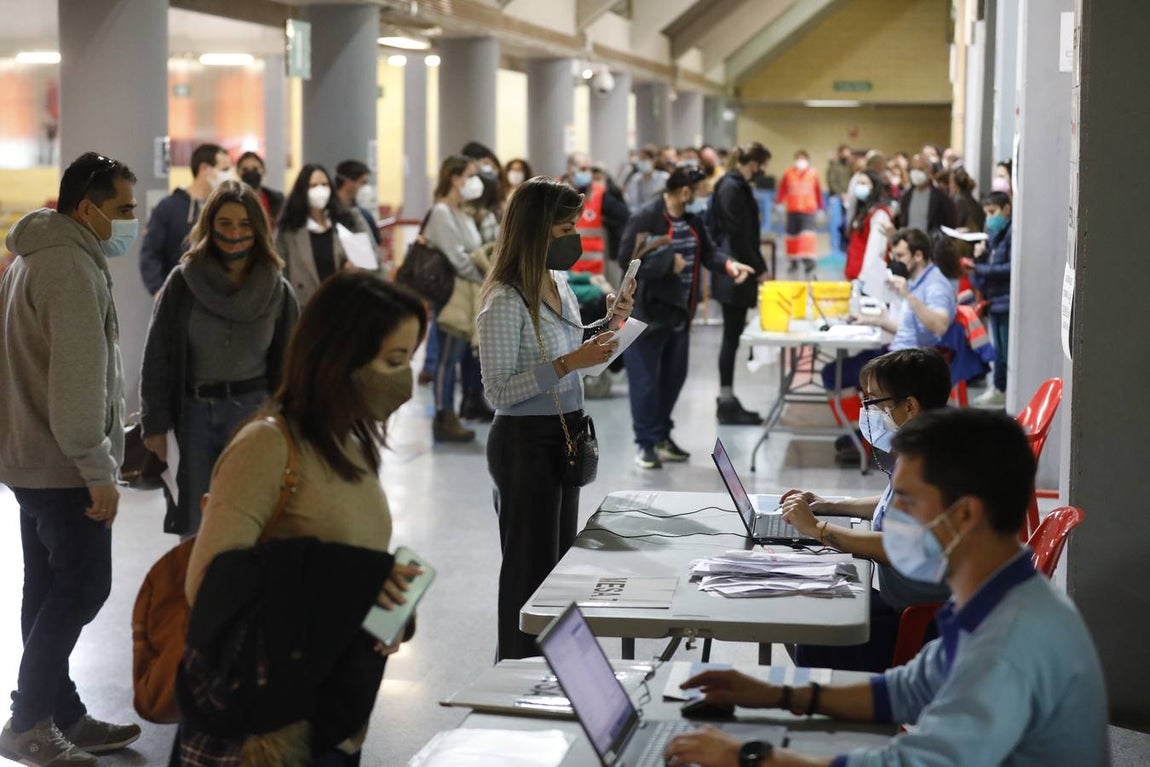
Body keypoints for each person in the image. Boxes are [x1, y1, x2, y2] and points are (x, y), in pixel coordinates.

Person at [665, 409, 1109, 767]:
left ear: (965, 515)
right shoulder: (997, 599)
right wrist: (777, 694)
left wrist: (749, 756)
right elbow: (908, 690)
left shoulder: (1010, 641)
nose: (889, 518)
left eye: (908, 501)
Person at [178, 272, 428, 766]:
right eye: (393, 360)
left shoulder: (350, 441)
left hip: (335, 707)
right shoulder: (267, 446)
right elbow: (207, 586)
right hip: (272, 726)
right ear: (339, 356)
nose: (404, 378)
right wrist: (353, 581)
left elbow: (347, 565)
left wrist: (389, 603)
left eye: (409, 359)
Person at [0, 152, 142, 765]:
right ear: (87, 208)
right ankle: (29, 721)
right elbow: (78, 382)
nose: (131, 222)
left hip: (29, 456)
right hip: (62, 464)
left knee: (47, 586)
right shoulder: (70, 269)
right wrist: (97, 468)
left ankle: (63, 714)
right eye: (124, 209)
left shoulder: (34, 254)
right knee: (83, 587)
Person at [476, 177, 634, 660]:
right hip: (524, 442)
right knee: (527, 571)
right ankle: (516, 666)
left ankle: (553, 665)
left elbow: (576, 353)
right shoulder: (504, 300)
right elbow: (498, 390)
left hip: (565, 434)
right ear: (535, 231)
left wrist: (614, 325)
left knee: (558, 568)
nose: (574, 236)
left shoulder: (559, 283)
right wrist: (568, 363)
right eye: (564, 227)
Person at [140, 180, 300, 538]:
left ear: (258, 229)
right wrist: (155, 424)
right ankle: (196, 591)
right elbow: (158, 356)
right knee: (196, 526)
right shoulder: (182, 283)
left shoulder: (277, 289)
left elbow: (294, 365)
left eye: (244, 224)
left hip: (255, 417)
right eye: (225, 223)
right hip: (193, 417)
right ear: (209, 225)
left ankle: (243, 592)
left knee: (252, 519)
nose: (235, 233)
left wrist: (296, 426)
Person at [780, 349, 953, 672]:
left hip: (921, 628)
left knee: (816, 628)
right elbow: (894, 502)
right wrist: (828, 504)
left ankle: (830, 710)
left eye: (873, 403)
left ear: (910, 407)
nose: (866, 412)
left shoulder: (933, 465)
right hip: (907, 606)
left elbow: (897, 547)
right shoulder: (929, 444)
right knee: (814, 601)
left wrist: (818, 530)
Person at [620, 165, 755, 469]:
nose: (705, 198)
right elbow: (626, 260)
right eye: (703, 192)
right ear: (684, 192)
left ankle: (662, 436)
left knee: (672, 380)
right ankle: (646, 444)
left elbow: (709, 252)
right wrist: (668, 264)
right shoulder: (646, 216)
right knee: (645, 384)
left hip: (680, 315)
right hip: (646, 316)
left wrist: (730, 265)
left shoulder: (693, 220)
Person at [825, 228, 956, 464]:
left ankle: (859, 440)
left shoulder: (935, 285)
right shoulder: (918, 280)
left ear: (918, 255)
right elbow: (909, 326)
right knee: (835, 371)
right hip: (900, 351)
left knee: (836, 374)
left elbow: (939, 325)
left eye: (900, 256)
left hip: (914, 362)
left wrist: (907, 295)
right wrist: (875, 320)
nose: (895, 261)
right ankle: (858, 435)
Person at [707, 142, 772, 426]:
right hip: (735, 270)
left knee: (732, 337)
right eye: (761, 164)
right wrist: (760, 268)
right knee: (731, 338)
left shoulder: (736, 186)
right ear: (753, 162)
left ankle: (728, 398)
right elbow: (738, 235)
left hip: (738, 267)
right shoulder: (731, 187)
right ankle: (726, 401)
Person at [424, 154, 487, 442]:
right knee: (447, 358)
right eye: (470, 175)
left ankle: (453, 410)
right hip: (453, 295)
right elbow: (458, 259)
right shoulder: (441, 213)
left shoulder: (462, 212)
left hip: (468, 294)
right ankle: (443, 413)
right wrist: (485, 277)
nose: (476, 182)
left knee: (459, 355)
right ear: (455, 178)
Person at [139, 142, 232, 295]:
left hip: (217, 298)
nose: (228, 175)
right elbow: (151, 253)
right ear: (204, 169)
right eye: (224, 169)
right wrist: (158, 291)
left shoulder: (223, 209)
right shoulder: (169, 208)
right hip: (179, 296)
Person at [275, 163, 367, 308]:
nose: (320, 190)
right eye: (313, 185)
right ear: (303, 190)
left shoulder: (348, 220)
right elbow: (280, 273)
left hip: (345, 304)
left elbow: (369, 260)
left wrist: (357, 265)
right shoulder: (289, 230)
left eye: (324, 184)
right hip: (305, 308)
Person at [972, 190, 1013, 408]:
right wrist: (980, 255)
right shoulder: (995, 235)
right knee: (998, 349)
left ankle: (1003, 389)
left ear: (1007, 209)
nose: (989, 218)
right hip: (995, 299)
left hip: (1004, 299)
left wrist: (982, 268)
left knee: (1004, 350)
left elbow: (1009, 267)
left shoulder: (1012, 234)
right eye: (986, 213)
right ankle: (998, 387)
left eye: (992, 212)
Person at [775, 149, 824, 275]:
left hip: (808, 210)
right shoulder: (788, 173)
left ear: (807, 160)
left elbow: (818, 191)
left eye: (803, 158)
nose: (801, 161)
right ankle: (793, 262)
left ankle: (808, 262)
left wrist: (821, 208)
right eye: (799, 158)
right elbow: (782, 189)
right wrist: (779, 203)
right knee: (792, 237)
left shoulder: (813, 173)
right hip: (792, 209)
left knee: (807, 237)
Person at [843, 169, 892, 281]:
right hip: (853, 275)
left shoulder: (880, 214)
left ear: (874, 187)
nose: (859, 187)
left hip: (866, 279)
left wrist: (864, 278)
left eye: (864, 183)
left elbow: (876, 250)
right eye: (858, 183)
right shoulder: (862, 212)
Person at [895, 153, 956, 235]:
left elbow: (949, 225)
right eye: (913, 169)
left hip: (931, 244)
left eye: (920, 169)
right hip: (908, 243)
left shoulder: (942, 198)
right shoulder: (906, 196)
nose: (916, 173)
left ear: (929, 171)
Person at [335, 159, 382, 246]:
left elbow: (375, 243)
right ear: (348, 182)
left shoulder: (364, 214)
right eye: (363, 182)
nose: (365, 188)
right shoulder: (330, 212)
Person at [236, 150, 285, 223]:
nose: (250, 173)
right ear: (238, 172)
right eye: (245, 170)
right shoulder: (232, 200)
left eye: (255, 169)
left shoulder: (278, 200)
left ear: (263, 170)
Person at [624, 145, 669, 210]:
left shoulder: (664, 178)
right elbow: (631, 201)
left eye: (644, 159)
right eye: (640, 159)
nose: (641, 162)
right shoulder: (635, 178)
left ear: (654, 161)